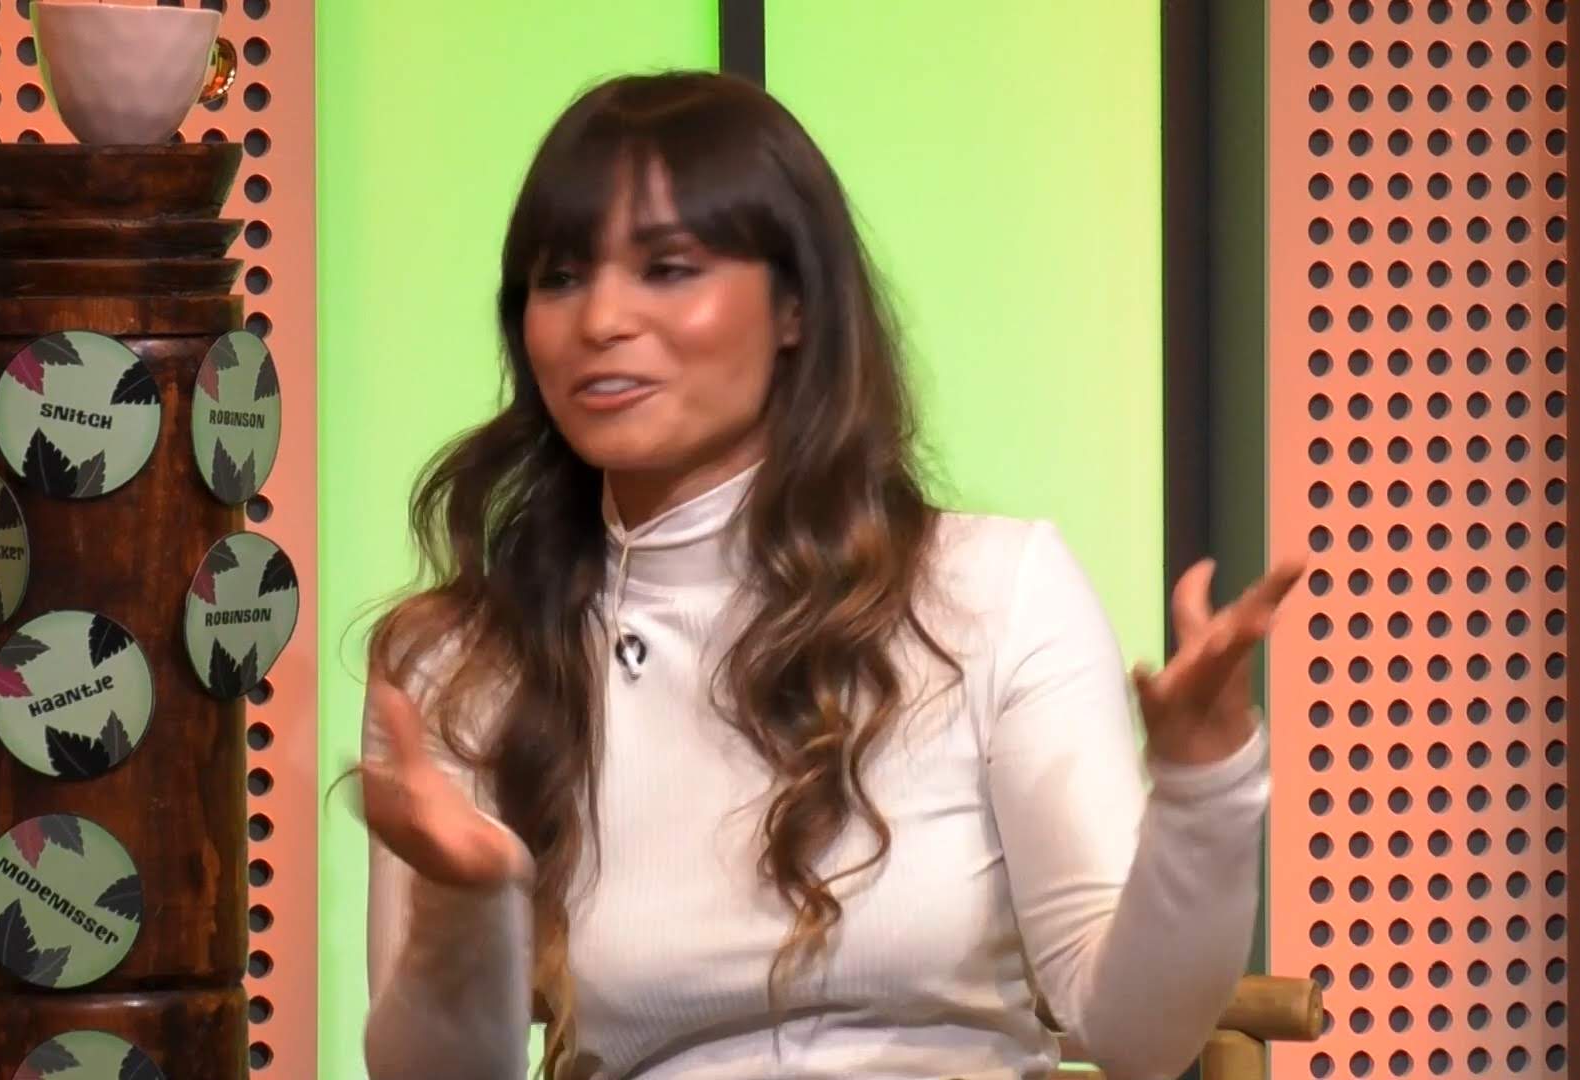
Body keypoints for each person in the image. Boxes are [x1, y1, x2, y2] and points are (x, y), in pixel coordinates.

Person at [354, 71, 1305, 1080]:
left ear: (795, 306)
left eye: (668, 268)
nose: (601, 320)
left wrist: (1204, 786)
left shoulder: (993, 590)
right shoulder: (458, 658)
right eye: (559, 278)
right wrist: (466, 903)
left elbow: (1139, 1038)